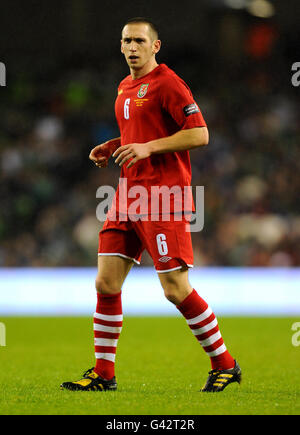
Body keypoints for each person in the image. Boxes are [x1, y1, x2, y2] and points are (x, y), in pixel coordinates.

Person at [60, 17, 241, 393]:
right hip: (127, 195)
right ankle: (104, 374)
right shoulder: (125, 86)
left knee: (175, 288)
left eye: (139, 41)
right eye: (126, 40)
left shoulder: (168, 84)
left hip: (163, 196)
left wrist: (148, 148)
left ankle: (225, 364)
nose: (131, 47)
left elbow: (200, 133)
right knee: (106, 283)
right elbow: (139, 133)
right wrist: (115, 145)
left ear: (155, 46)